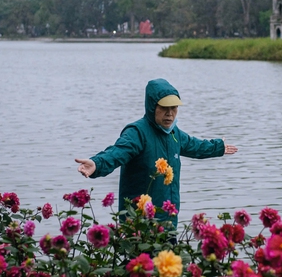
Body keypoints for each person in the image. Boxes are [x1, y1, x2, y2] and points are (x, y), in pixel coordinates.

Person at [75, 78, 238, 227]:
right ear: (153, 107)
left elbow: (196, 146)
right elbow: (117, 152)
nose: (170, 114)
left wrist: (218, 147)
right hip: (139, 224)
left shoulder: (174, 134)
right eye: (164, 108)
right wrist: (97, 164)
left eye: (174, 108)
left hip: (168, 222)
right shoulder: (137, 132)